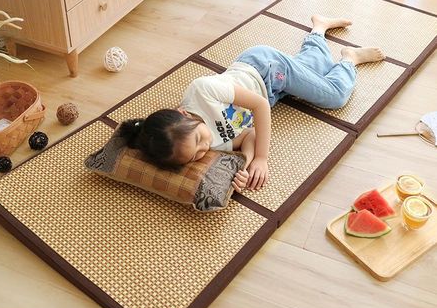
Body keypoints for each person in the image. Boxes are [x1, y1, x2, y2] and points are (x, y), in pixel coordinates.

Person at [121, 15, 385, 192]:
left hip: (264, 69)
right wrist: (245, 165)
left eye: (200, 139)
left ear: (183, 114)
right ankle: (318, 29)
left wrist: (262, 157)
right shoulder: (199, 143)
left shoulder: (202, 90)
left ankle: (349, 58)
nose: (206, 147)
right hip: (273, 93)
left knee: (334, 95)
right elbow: (247, 134)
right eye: (196, 155)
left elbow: (258, 105)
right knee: (316, 68)